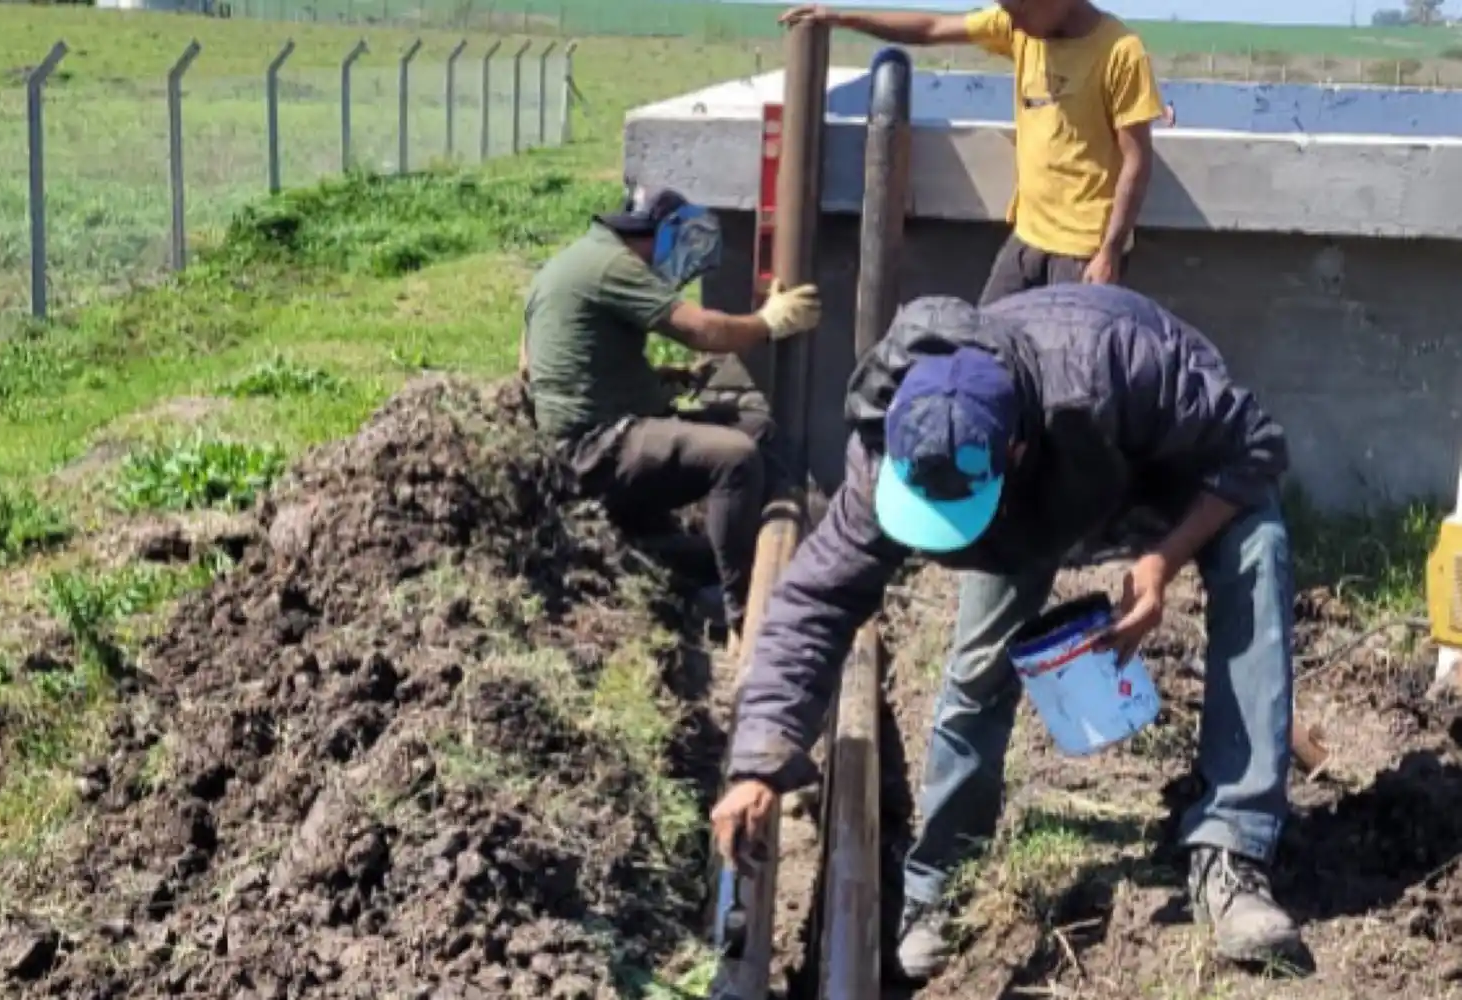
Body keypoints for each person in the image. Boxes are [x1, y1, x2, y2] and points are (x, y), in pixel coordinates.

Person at [709, 283, 1303, 980]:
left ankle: (1231, 849)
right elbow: (815, 600)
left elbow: (1255, 447)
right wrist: (758, 763)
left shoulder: (1121, 363)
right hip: (1031, 511)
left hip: (1153, 472)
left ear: (1013, 450)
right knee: (979, 664)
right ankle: (938, 886)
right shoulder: (891, 445)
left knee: (1257, 545)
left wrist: (1162, 559)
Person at [522, 184, 821, 641]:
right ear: (658, 234)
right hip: (593, 449)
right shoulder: (614, 264)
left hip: (593, 431)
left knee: (756, 428)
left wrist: (654, 379)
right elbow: (701, 330)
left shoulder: (575, 260)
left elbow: (536, 365)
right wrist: (768, 321)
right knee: (734, 458)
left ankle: (758, 546)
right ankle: (739, 609)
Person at [780, 1, 1164, 305]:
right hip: (1029, 236)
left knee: (1067, 371)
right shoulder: (1019, 29)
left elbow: (1136, 160)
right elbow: (931, 29)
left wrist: (1109, 251)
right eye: (1007, 12)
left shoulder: (1120, 53)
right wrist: (841, 17)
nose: (1013, 22)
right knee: (986, 348)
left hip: (1085, 250)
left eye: (1021, 10)